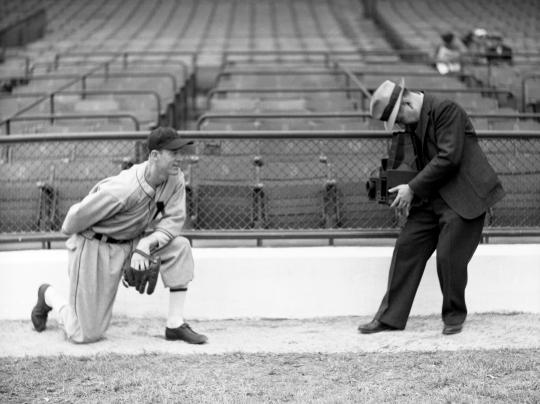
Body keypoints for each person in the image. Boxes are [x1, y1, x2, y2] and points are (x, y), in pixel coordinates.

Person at [31, 127, 208, 344]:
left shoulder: (175, 178)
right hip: (96, 246)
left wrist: (147, 243)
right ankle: (48, 296)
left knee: (179, 246)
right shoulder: (124, 189)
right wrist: (76, 245)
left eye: (179, 152)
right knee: (84, 334)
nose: (179, 158)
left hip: (133, 242)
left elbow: (173, 221)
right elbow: (73, 219)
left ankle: (175, 324)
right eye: (173, 153)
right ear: (154, 156)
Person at [359, 79, 505, 335]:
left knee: (449, 256)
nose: (401, 124)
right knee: (406, 248)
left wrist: (412, 188)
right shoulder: (413, 122)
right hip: (431, 199)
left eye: (399, 118)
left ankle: (453, 316)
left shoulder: (447, 110)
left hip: (463, 197)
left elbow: (449, 157)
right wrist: (389, 183)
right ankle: (389, 318)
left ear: (406, 102)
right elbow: (413, 163)